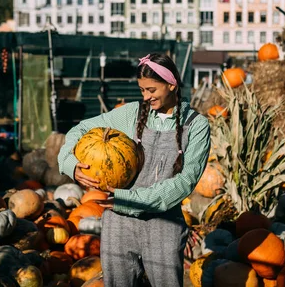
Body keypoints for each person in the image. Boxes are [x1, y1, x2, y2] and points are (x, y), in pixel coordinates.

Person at [58, 53, 211, 287]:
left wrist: (129, 199)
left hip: (164, 226)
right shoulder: (132, 113)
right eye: (142, 90)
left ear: (171, 85)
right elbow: (80, 129)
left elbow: (185, 182)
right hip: (118, 225)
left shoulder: (196, 125)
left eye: (151, 90)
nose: (146, 97)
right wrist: (71, 164)